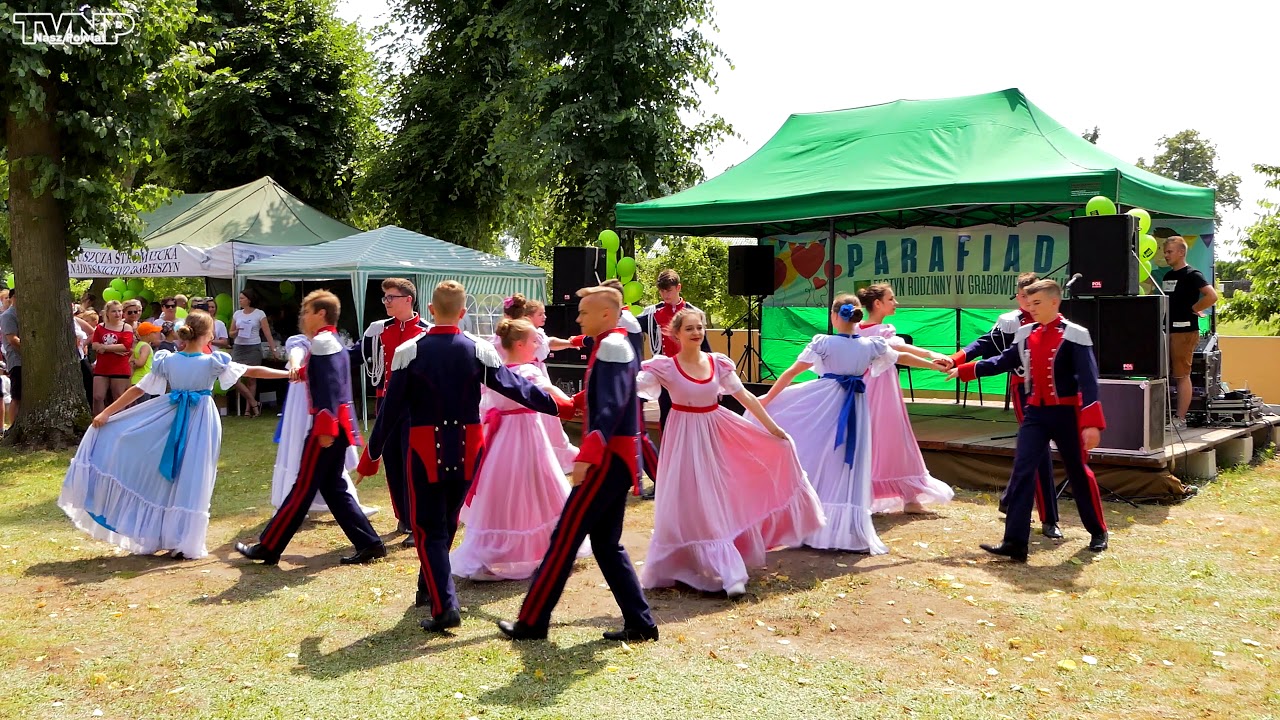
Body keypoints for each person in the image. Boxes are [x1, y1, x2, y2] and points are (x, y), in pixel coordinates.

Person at [363, 280, 565, 633]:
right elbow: (513, 385)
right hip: (469, 448)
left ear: (429, 310)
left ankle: (444, 607)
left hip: (426, 448)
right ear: (463, 312)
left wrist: (371, 456)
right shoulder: (477, 349)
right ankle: (429, 589)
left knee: (428, 530)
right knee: (446, 523)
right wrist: (555, 404)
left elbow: (390, 411)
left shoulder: (409, 351)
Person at [58, 311, 289, 559]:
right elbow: (253, 371)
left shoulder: (170, 361)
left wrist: (107, 413)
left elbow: (138, 389)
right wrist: (287, 374)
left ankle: (167, 534)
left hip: (175, 414)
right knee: (193, 475)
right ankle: (182, 538)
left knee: (171, 475)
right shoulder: (211, 361)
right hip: (200, 418)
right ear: (209, 334)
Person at [499, 285, 658, 643]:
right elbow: (608, 393)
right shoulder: (612, 343)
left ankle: (532, 621)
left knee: (565, 538)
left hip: (606, 461)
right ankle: (640, 622)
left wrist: (587, 456)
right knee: (605, 544)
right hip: (613, 459)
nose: (578, 317)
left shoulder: (614, 345)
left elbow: (612, 406)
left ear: (605, 314)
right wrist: (573, 402)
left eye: (585, 312)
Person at [639, 306, 824, 597]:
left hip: (715, 432)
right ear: (675, 334)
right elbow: (634, 387)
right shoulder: (664, 367)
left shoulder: (718, 363)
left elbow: (745, 396)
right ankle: (680, 564)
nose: (697, 333)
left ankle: (727, 569)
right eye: (689, 329)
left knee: (716, 495)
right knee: (685, 498)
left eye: (699, 327)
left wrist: (773, 429)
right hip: (682, 438)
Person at [756, 294, 943, 553]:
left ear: (834, 316)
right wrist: (935, 366)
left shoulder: (824, 343)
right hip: (855, 403)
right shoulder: (871, 345)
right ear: (856, 317)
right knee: (848, 462)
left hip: (824, 403)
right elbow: (901, 357)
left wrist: (766, 401)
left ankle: (815, 520)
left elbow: (790, 373)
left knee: (819, 456)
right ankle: (843, 526)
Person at [949, 280, 1109, 561]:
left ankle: (1097, 531)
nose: (1031, 308)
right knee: (1024, 471)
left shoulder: (1075, 335)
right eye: (1028, 303)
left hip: (1067, 413)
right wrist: (966, 369)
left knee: (1077, 470)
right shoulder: (1025, 333)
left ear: (1054, 303)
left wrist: (1091, 423)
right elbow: (1002, 361)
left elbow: (1089, 382)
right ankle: (1015, 543)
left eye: (1037, 303)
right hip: (1036, 412)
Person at [235, 291, 387, 567]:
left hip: (326, 428)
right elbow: (325, 377)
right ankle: (369, 543)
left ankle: (269, 546)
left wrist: (325, 429)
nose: (302, 317)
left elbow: (330, 389)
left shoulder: (323, 342)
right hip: (333, 427)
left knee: (304, 487)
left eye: (307, 311)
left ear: (321, 314)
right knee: (333, 487)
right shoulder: (330, 342)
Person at [450, 317, 584, 581]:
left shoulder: (496, 374)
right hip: (526, 435)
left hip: (499, 440)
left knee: (502, 491)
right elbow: (551, 392)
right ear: (521, 344)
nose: (538, 344)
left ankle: (499, 551)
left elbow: (484, 405)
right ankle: (552, 543)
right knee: (537, 486)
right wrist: (573, 401)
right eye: (535, 340)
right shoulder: (528, 372)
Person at [944, 272, 1061, 538]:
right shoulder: (1011, 321)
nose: (1027, 302)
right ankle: (1049, 518)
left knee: (1033, 451)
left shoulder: (1057, 321)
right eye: (1022, 297)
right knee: (1040, 451)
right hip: (1025, 391)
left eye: (1032, 297)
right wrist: (957, 359)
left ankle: (1010, 499)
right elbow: (986, 344)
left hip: (1053, 393)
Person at [853, 284, 956, 515]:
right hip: (877, 392)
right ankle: (906, 497)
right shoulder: (878, 331)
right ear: (877, 303)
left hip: (870, 390)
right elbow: (902, 352)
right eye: (891, 299)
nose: (895, 302)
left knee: (879, 440)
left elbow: (901, 349)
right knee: (890, 439)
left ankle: (906, 497)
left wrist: (931, 358)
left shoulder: (860, 330)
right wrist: (932, 357)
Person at [353, 278, 431, 542]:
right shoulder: (379, 330)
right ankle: (404, 518)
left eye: (391, 297)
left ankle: (417, 520)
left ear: (408, 300)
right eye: (384, 298)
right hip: (386, 401)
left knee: (413, 464)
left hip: (415, 405)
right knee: (393, 462)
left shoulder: (425, 330)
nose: (385, 302)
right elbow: (357, 355)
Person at [268, 332, 377, 519]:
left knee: (332, 456)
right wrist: (295, 366)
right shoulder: (300, 340)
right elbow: (296, 352)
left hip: (323, 403)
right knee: (300, 450)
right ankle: (291, 506)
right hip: (303, 403)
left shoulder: (330, 342)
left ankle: (347, 503)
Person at [506, 296, 580, 474]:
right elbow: (546, 347)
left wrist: (570, 343)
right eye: (541, 314)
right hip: (529, 377)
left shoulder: (512, 333)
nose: (545, 317)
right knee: (544, 416)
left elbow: (549, 343)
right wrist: (570, 402)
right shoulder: (530, 339)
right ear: (529, 316)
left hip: (520, 377)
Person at [635, 269, 711, 430]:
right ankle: (666, 452)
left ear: (678, 288)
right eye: (662, 291)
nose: (665, 295)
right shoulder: (653, 314)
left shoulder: (693, 313)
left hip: (690, 372)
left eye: (668, 290)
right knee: (666, 415)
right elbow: (630, 325)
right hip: (667, 374)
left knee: (691, 415)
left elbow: (705, 349)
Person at [1161, 235, 1218, 428]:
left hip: (1185, 331)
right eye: (1165, 252)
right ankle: (1163, 414)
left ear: (1182, 252)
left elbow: (1212, 296)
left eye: (1169, 251)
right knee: (1164, 372)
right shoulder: (1168, 276)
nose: (1166, 255)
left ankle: (1181, 418)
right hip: (1166, 330)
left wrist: (1194, 309)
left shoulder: (1193, 274)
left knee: (1181, 374)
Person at [229, 290, 278, 417]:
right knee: (234, 377)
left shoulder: (259, 314)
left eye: (242, 298)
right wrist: (237, 331)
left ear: (249, 300)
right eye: (239, 298)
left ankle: (248, 410)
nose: (240, 300)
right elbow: (231, 333)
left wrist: (273, 349)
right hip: (239, 347)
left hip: (253, 347)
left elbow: (267, 333)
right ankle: (254, 402)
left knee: (251, 379)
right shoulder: (237, 314)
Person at [90, 300, 136, 415]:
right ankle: (97, 423)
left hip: (119, 367)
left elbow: (126, 346)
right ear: (107, 313)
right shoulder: (100, 327)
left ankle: (117, 424)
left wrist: (105, 348)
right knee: (97, 396)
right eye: (114, 311)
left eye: (120, 311)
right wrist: (114, 348)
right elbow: (94, 344)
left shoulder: (126, 327)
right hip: (102, 367)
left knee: (118, 398)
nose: (117, 314)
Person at [0, 287, 21, 423]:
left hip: (25, 362)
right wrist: (31, 352)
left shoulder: (24, 314)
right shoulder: (8, 316)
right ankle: (13, 426)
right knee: (17, 396)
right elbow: (12, 339)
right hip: (17, 361)